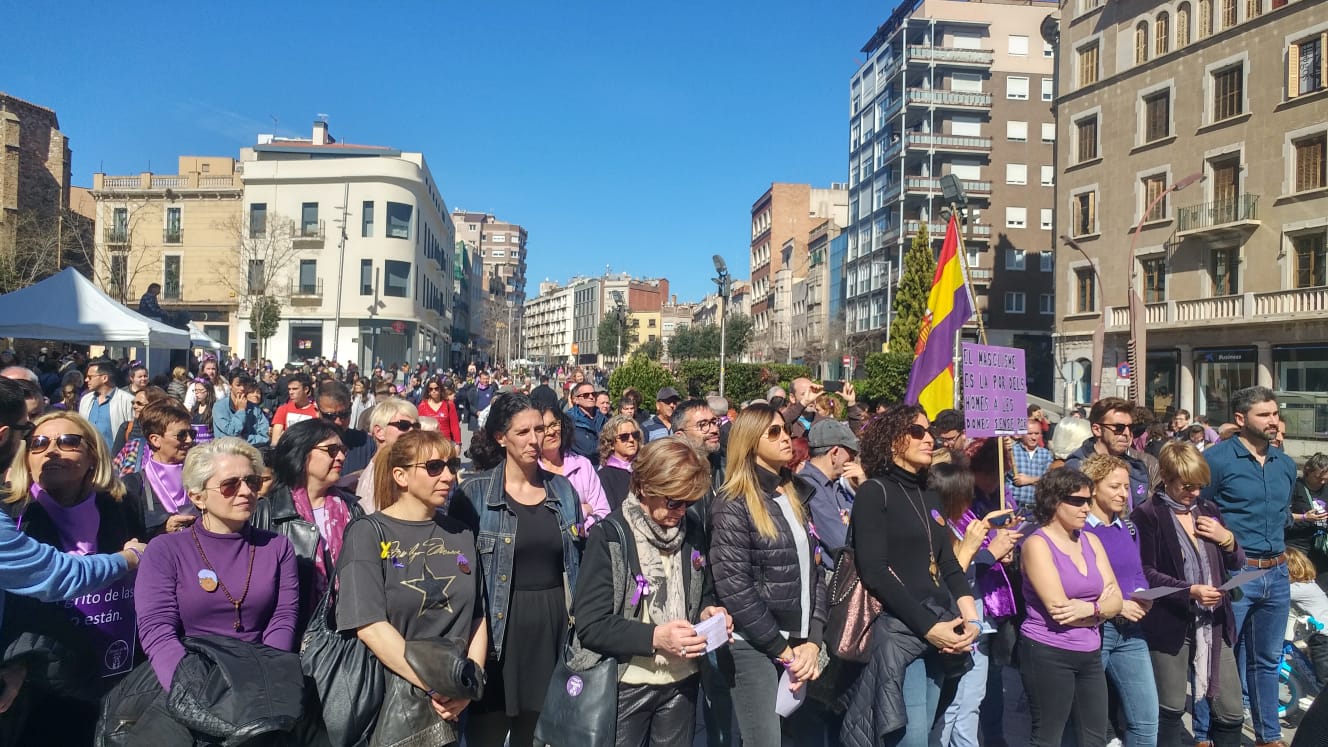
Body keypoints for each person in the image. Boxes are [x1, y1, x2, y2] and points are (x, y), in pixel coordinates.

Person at [131, 437, 300, 732]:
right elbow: (157, 629)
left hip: (261, 687)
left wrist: (265, 681)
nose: (246, 491)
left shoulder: (277, 547)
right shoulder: (165, 550)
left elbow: (283, 618)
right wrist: (194, 693)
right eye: (230, 484)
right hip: (190, 684)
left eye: (252, 481)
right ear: (198, 497)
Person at [573, 437, 733, 747]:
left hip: (681, 681)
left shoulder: (692, 529)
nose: (680, 510)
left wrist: (709, 611)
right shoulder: (611, 535)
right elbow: (590, 624)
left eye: (687, 501)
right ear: (645, 487)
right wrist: (656, 638)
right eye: (673, 501)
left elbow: (705, 593)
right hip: (624, 684)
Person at [0, 411, 148, 744]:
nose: (51, 450)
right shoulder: (11, 512)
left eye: (67, 441)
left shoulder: (122, 505)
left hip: (113, 670)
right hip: (37, 680)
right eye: (38, 443)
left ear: (93, 454)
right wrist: (16, 660)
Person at [447, 394, 584, 747]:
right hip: (496, 633)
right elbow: (462, 573)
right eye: (523, 431)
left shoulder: (563, 491)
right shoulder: (474, 494)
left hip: (553, 630)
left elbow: (576, 564)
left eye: (539, 429)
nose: (535, 439)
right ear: (500, 437)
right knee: (486, 734)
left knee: (536, 735)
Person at [338, 431, 486, 745]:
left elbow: (478, 616)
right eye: (433, 467)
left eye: (452, 465)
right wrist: (437, 687)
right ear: (401, 476)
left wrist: (467, 686)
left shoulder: (462, 533)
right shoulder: (367, 532)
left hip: (455, 702)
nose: (448, 475)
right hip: (393, 701)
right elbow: (369, 625)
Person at [844, 405, 979, 747]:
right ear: (892, 443)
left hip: (943, 629)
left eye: (928, 431)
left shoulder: (929, 494)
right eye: (917, 432)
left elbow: (947, 563)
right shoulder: (875, 492)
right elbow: (874, 572)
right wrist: (929, 628)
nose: (928, 438)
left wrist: (971, 618)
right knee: (912, 738)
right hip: (900, 630)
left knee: (927, 734)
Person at [709, 404, 827, 745]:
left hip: (798, 642)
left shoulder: (793, 494)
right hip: (754, 645)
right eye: (772, 432)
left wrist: (812, 643)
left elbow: (813, 572)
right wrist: (782, 649)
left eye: (785, 430)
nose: (785, 438)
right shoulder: (733, 502)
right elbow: (734, 587)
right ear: (749, 442)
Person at [1201, 385, 1298, 747]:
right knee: (1218, 657)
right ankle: (1206, 734)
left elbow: (1282, 515)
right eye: (1264, 415)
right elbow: (1196, 508)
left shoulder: (1285, 464)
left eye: (1275, 414)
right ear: (1241, 420)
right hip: (1235, 572)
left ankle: (1267, 737)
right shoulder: (1217, 460)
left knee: (1267, 661)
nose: (1273, 421)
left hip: (1277, 571)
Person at [1133, 440, 1246, 747]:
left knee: (1232, 710)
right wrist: (1190, 591)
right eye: (1186, 486)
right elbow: (1146, 572)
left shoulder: (1208, 509)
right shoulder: (1148, 514)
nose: (1194, 493)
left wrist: (1227, 539)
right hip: (1172, 623)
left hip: (1215, 622)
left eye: (1199, 486)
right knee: (1170, 707)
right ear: (1166, 478)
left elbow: (1236, 562)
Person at [1018, 466, 1123, 747]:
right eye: (1077, 501)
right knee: (1048, 737)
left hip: (1089, 652)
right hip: (1047, 651)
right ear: (1054, 501)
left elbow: (1117, 599)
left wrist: (1091, 610)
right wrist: (1103, 607)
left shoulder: (1092, 539)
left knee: (1095, 738)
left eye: (1088, 501)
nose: (1085, 508)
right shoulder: (1037, 544)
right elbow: (1060, 610)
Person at [929, 458, 1021, 747]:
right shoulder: (934, 526)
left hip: (978, 616)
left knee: (972, 700)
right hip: (951, 621)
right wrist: (990, 553)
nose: (972, 497)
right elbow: (948, 575)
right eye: (966, 491)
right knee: (951, 705)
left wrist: (996, 533)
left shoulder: (967, 519)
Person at [251, 417, 365, 633]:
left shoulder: (352, 509)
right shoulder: (267, 512)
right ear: (301, 453)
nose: (341, 456)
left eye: (343, 450)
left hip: (343, 633)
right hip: (287, 633)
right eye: (331, 450)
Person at [1079, 453, 1158, 747]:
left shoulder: (1127, 526)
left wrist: (1142, 594)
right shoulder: (1079, 530)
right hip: (1096, 629)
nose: (1124, 493)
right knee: (1086, 720)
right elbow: (1077, 583)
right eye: (1114, 487)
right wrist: (1116, 604)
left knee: (1146, 720)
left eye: (1126, 487)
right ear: (1094, 487)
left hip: (1131, 631)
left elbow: (1137, 571)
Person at [121, 399, 198, 539]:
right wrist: (161, 529)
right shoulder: (133, 484)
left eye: (191, 434)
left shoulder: (201, 477)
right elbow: (126, 536)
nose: (189, 440)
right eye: (181, 435)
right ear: (155, 440)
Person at [1064, 397, 1160, 509]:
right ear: (1097, 429)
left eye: (1131, 427)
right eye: (1119, 428)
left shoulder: (1140, 465)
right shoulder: (1077, 468)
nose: (1127, 433)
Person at [801, 418, 861, 569]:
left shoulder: (835, 486)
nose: (853, 460)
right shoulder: (809, 488)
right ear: (834, 453)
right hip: (832, 583)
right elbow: (844, 542)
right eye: (851, 453)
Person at [537, 404, 610, 527]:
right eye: (543, 428)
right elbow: (541, 520)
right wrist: (584, 510)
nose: (551, 432)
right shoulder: (531, 470)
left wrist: (582, 528)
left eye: (554, 424)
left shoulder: (582, 465)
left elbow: (603, 512)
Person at [354, 398, 421, 513]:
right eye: (403, 425)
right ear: (379, 432)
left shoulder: (399, 464)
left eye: (416, 426)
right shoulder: (383, 469)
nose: (412, 431)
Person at [313, 380, 378, 477]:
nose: (338, 421)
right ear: (317, 411)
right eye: (330, 416)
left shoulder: (367, 444)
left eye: (344, 414)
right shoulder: (304, 445)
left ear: (351, 408)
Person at [1288, 453, 1328, 591]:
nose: (1322, 482)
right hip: (1298, 545)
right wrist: (1304, 517)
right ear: (1308, 471)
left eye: (1325, 479)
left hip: (1321, 546)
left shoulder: (1326, 488)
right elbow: (1281, 515)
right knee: (1300, 587)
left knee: (1322, 588)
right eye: (1318, 478)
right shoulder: (1295, 487)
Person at [111, 385, 169, 474]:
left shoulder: (166, 430)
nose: (134, 406)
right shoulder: (127, 428)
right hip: (129, 482)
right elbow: (114, 460)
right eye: (133, 403)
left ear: (155, 405)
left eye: (139, 403)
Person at [78, 359, 134, 448]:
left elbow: (132, 433)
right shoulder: (86, 400)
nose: (86, 380)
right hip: (89, 457)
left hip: (114, 458)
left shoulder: (127, 401)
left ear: (104, 378)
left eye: (90, 377)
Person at [595, 413, 641, 512]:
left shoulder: (646, 468)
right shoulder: (603, 476)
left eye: (635, 435)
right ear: (611, 444)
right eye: (624, 437)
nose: (631, 440)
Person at [213, 372, 270, 446]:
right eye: (238, 385)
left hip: (250, 452)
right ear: (230, 385)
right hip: (226, 453)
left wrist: (243, 439)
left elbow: (264, 437)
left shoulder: (255, 409)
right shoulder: (219, 407)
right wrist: (241, 411)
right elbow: (231, 433)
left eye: (245, 385)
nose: (242, 388)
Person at [1009, 420, 1053, 512]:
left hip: (1037, 508)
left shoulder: (1046, 454)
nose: (1033, 437)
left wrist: (1028, 480)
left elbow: (1050, 480)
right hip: (1014, 507)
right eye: (1030, 433)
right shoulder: (1011, 453)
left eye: (1037, 434)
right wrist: (1038, 480)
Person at [270, 373, 318, 444]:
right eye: (289, 389)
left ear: (306, 389)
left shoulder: (316, 411)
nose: (291, 392)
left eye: (295, 389)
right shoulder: (283, 409)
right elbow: (275, 441)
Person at [568, 381, 606, 465]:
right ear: (576, 400)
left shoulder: (602, 417)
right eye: (586, 395)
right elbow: (588, 449)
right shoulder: (570, 420)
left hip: (602, 465)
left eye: (593, 394)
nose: (591, 397)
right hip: (581, 467)